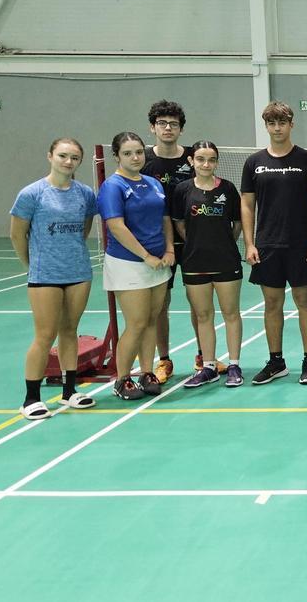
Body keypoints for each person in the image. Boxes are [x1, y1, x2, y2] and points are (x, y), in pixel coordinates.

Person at [10, 138, 99, 419]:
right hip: (45, 275)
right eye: (62, 156)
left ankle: (69, 391)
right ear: (50, 156)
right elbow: (17, 234)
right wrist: (32, 264)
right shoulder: (31, 194)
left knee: (70, 330)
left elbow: (83, 228)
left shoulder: (85, 194)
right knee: (45, 335)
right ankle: (31, 398)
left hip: (78, 272)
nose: (68, 162)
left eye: (74, 157)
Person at [241, 101, 307, 385]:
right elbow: (247, 206)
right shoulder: (254, 163)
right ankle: (276, 361)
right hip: (267, 246)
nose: (277, 128)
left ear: (291, 124)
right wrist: (250, 243)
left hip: (302, 245)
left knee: (305, 303)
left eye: (282, 122)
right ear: (266, 126)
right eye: (272, 123)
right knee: (272, 304)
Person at [97, 132, 174, 400]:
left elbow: (165, 219)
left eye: (139, 152)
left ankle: (146, 372)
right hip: (129, 263)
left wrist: (169, 249)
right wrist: (145, 256)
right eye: (128, 153)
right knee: (137, 322)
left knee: (151, 319)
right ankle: (122, 378)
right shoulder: (112, 186)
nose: (135, 157)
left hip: (158, 262)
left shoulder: (153, 183)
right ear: (116, 156)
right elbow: (116, 226)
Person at [172, 141, 246, 389]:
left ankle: (234, 364)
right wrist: (195, 243)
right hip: (194, 262)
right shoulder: (182, 190)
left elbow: (237, 223)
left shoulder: (228, 189)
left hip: (226, 260)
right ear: (191, 161)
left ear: (216, 162)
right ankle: (209, 366)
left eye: (211, 159)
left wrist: (224, 243)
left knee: (231, 313)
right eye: (201, 159)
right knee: (203, 315)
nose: (206, 164)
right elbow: (179, 224)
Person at [140, 100, 200, 383]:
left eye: (173, 124)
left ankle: (204, 357)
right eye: (162, 123)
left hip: (193, 239)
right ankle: (163, 359)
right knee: (159, 304)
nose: (167, 128)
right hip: (156, 243)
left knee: (198, 300)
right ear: (152, 128)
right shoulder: (144, 160)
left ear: (181, 129)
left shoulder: (192, 157)